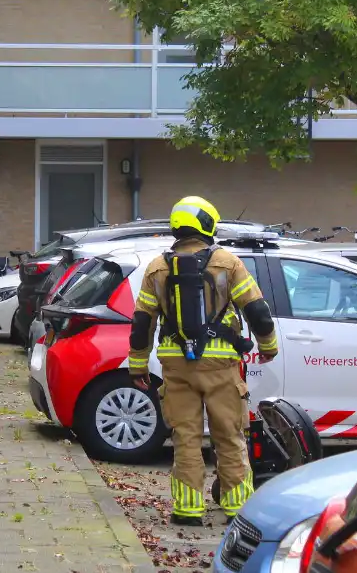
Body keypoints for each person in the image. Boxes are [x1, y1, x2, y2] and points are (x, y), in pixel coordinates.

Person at [127, 196, 278, 526]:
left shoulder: (157, 267)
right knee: (229, 436)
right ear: (208, 224)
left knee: (186, 438)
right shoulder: (227, 262)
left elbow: (142, 322)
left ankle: (187, 509)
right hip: (221, 366)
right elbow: (257, 310)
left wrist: (138, 365)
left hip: (176, 366)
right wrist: (269, 345)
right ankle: (238, 509)